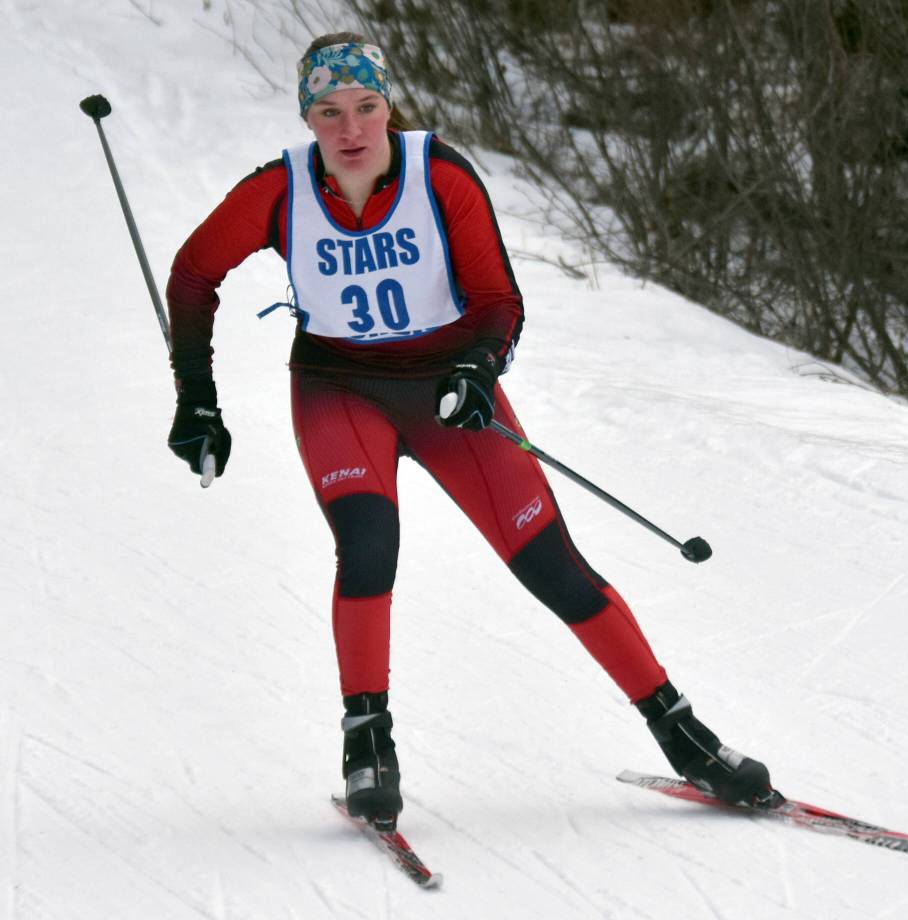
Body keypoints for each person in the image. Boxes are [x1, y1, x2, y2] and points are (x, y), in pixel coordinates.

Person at [165, 32, 773, 829]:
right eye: (329, 112)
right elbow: (192, 273)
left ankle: (682, 732)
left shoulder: (437, 174)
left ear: (388, 105)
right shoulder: (279, 191)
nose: (350, 130)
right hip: (341, 389)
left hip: (449, 393)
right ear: (307, 117)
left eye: (366, 107)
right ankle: (367, 741)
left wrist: (479, 367)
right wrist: (197, 398)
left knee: (553, 564)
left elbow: (497, 299)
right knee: (369, 543)